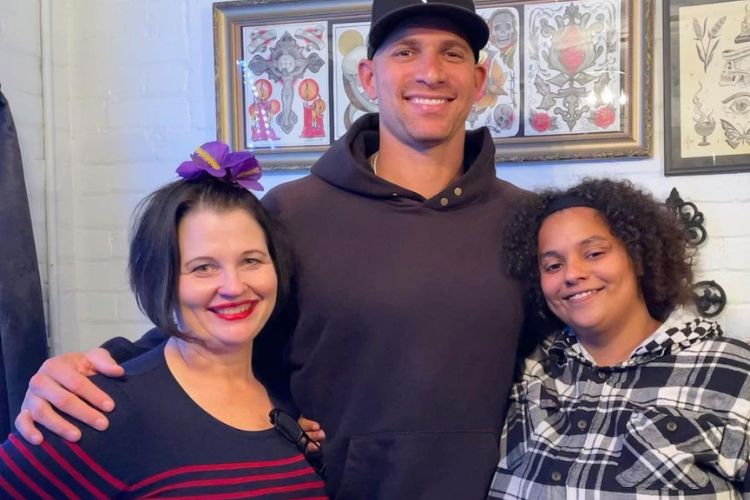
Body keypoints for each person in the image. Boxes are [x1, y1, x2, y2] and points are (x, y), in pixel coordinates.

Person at [15, 0, 529, 497]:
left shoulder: (527, 222)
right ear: (369, 77)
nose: (430, 72)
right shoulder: (294, 212)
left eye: (452, 53)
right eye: (406, 51)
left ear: (479, 81)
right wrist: (92, 368)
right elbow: (214, 320)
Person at [0, 142, 327, 498]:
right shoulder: (98, 408)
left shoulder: (284, 404)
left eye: (251, 260)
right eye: (203, 268)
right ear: (162, 281)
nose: (234, 286)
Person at [488, 178, 750, 498]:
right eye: (553, 265)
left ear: (637, 257)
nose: (572, 274)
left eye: (595, 253)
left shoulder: (736, 375)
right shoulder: (529, 372)